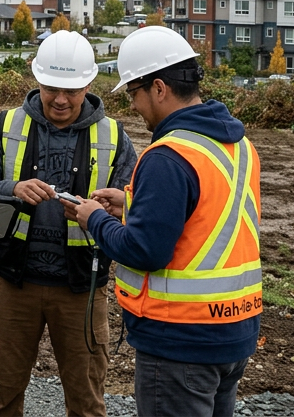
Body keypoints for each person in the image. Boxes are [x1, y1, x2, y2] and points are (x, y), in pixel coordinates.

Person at [64, 26, 261, 417]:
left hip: (180, 340)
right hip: (234, 330)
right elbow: (205, 219)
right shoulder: (238, 144)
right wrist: (132, 206)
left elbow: (144, 251)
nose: (134, 106)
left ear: (158, 88)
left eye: (134, 93)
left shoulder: (167, 155)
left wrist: (95, 219)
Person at [0, 31, 138, 416]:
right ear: (37, 79)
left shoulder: (113, 135)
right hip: (13, 281)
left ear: (89, 85)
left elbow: (136, 202)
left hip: (81, 287)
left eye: (71, 91)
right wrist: (13, 188)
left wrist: (117, 206)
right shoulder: (6, 125)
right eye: (51, 88)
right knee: (3, 397)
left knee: (86, 402)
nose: (60, 99)